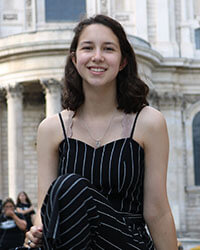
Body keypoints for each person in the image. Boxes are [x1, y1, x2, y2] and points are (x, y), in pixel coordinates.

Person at [23, 14, 177, 249]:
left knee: (69, 186)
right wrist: (36, 231)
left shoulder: (149, 122)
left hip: (127, 241)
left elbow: (157, 210)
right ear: (75, 59)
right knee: (64, 193)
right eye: (88, 48)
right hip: (72, 242)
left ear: (123, 61)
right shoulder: (51, 129)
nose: (97, 57)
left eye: (108, 49)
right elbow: (46, 207)